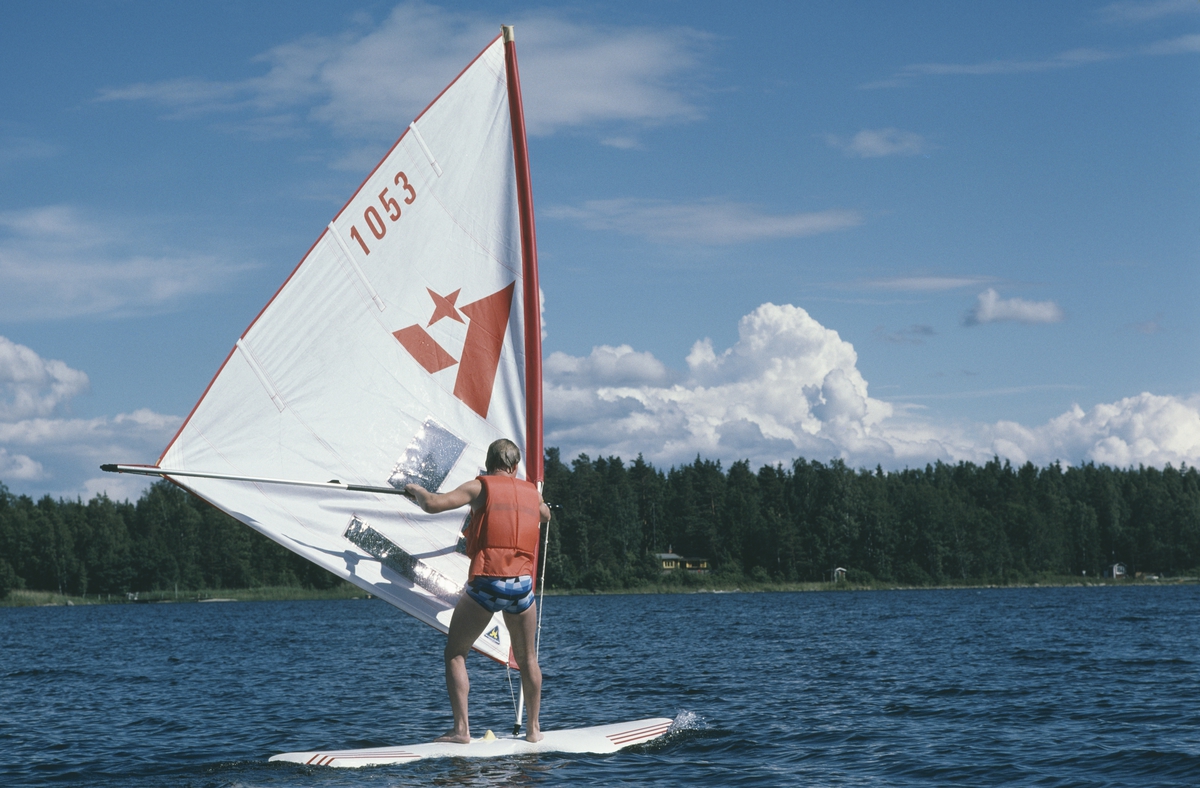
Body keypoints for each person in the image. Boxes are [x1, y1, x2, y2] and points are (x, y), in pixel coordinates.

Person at [405, 438, 551, 743]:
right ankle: (534, 730)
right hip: (522, 588)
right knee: (529, 660)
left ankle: (461, 730)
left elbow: (433, 504)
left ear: (489, 464)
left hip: (488, 583)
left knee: (456, 654)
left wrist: (416, 490)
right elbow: (546, 515)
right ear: (514, 467)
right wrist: (530, 498)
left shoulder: (479, 487)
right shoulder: (531, 493)